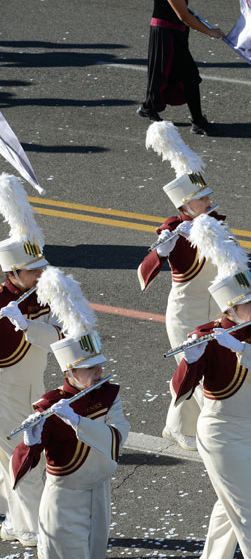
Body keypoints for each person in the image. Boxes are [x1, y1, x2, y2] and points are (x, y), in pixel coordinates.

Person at [171, 221, 251, 559]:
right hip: (221, 435)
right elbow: (179, 393)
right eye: (249, 304)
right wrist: (190, 360)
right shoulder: (205, 337)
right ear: (229, 311)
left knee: (230, 508)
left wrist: (239, 348)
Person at [11, 267, 130, 559]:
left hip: (99, 493)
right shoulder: (49, 405)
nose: (100, 371)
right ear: (71, 371)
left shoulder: (107, 394)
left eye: (100, 364)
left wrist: (78, 422)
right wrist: (30, 441)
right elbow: (19, 469)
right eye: (91, 368)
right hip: (65, 501)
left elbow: (118, 436)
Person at [139, 121, 226, 451]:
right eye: (202, 199)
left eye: (207, 197)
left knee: (196, 372)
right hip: (185, 314)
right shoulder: (172, 232)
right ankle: (220, 437)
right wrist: (161, 250)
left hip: (215, 309)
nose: (209, 202)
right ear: (185, 206)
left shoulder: (216, 223)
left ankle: (175, 427)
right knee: (200, 377)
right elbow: (145, 272)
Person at [0, 174, 60, 547]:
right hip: (4, 386)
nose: (39, 275)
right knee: (22, 456)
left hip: (33, 383)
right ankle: (27, 526)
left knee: (14, 455)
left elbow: (62, 337)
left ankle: (16, 519)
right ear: (12, 273)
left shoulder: (43, 294)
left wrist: (27, 327)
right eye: (31, 271)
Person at [138, 0, 225, 136]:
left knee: (169, 74)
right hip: (166, 33)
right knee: (187, 75)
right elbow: (184, 16)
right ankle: (198, 121)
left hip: (176, 30)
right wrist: (209, 32)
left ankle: (148, 107)